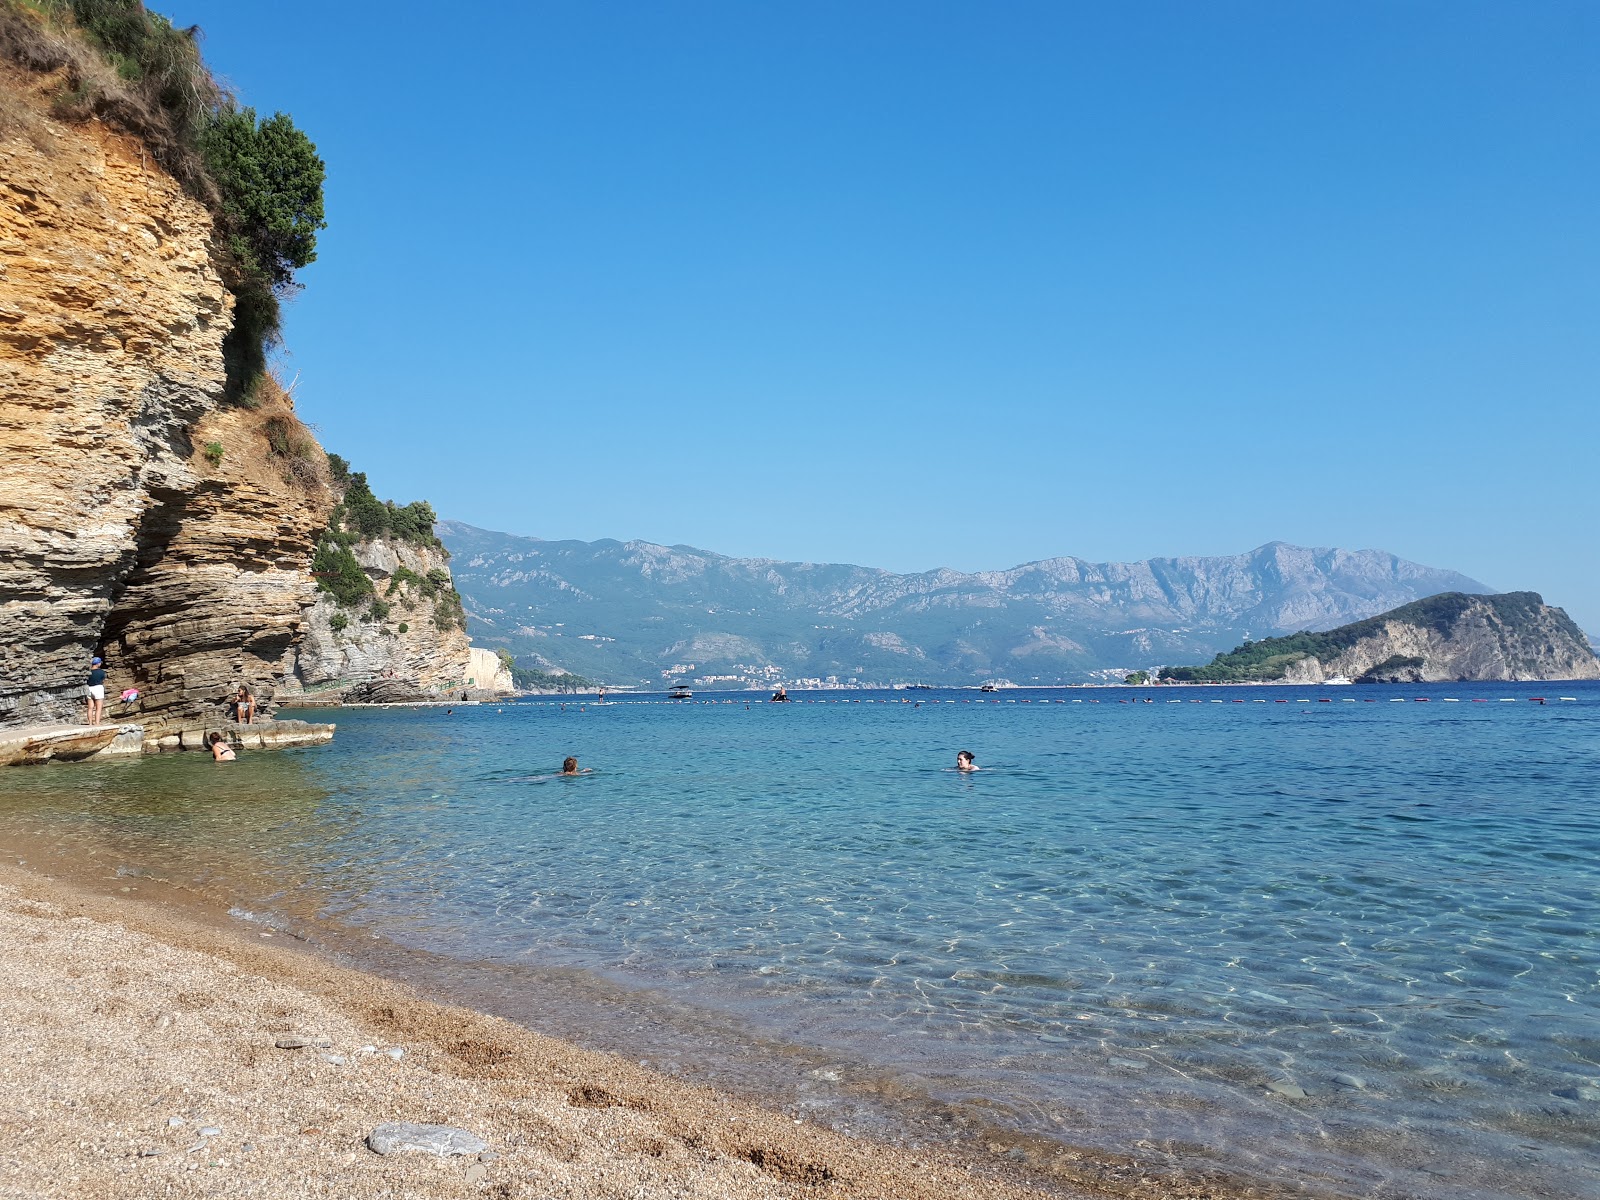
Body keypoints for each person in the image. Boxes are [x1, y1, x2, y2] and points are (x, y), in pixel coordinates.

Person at [85, 656, 106, 725]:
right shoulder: (101, 672)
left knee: (90, 707)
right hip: (98, 688)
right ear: (98, 664)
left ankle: (90, 723)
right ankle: (97, 723)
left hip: (89, 688)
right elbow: (103, 679)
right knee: (98, 708)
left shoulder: (88, 672)